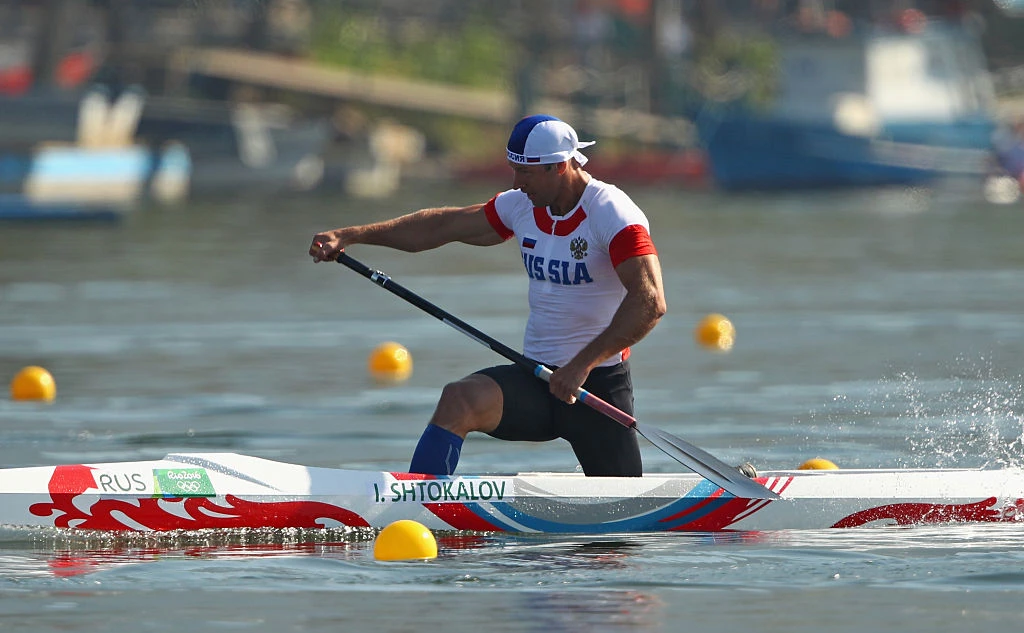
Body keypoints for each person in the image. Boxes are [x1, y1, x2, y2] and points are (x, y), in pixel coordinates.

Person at [309, 114, 666, 477]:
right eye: (515, 170)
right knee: (458, 399)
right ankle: (420, 502)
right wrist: (351, 235)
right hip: (538, 379)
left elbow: (650, 302)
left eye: (526, 173)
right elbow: (440, 225)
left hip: (597, 387)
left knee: (621, 516)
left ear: (560, 166)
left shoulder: (612, 213)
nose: (517, 182)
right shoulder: (521, 205)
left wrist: (581, 366)